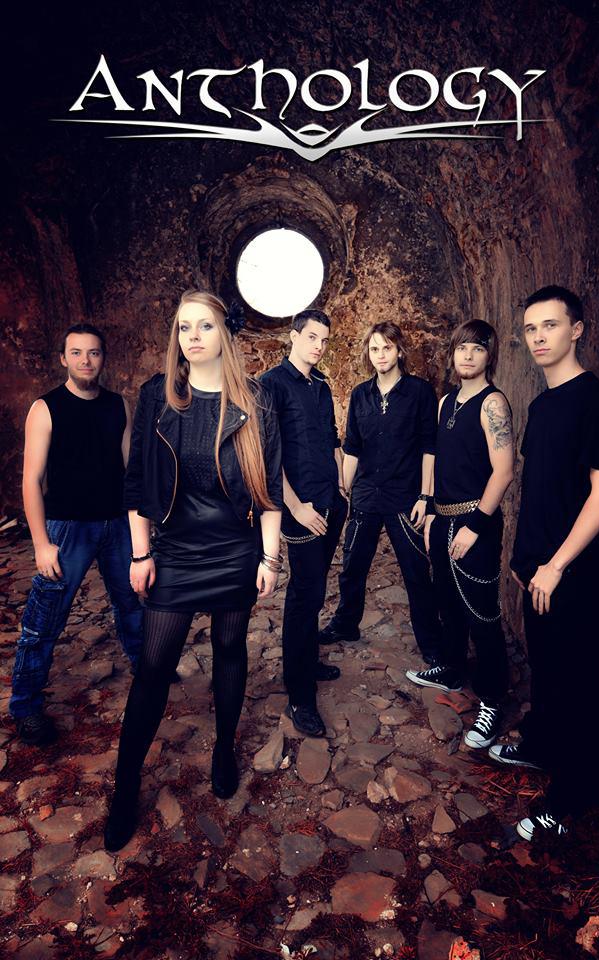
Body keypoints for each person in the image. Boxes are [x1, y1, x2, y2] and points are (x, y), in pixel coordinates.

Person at [104, 290, 282, 852]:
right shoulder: (157, 396)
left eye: (204, 326)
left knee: (230, 648)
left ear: (224, 333)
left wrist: (269, 558)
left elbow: (269, 489)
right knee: (153, 667)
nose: (193, 337)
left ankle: (224, 749)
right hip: (177, 551)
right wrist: (140, 554)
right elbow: (137, 483)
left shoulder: (255, 401)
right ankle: (125, 787)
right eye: (184, 328)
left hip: (234, 551)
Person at [489, 285, 599, 842]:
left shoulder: (595, 401)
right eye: (531, 329)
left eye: (550, 325)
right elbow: (541, 490)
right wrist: (525, 559)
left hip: (573, 572)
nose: (539, 337)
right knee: (546, 669)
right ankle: (542, 746)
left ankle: (574, 796)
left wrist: (557, 565)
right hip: (538, 569)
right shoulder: (542, 405)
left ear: (577, 330)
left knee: (577, 683)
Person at [10, 324, 143, 745]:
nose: (86, 360)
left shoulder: (119, 405)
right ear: (63, 359)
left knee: (132, 603)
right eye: (77, 353)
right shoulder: (45, 408)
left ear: (103, 358)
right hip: (67, 528)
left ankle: (147, 669)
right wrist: (40, 543)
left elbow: (131, 471)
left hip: (117, 523)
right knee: (43, 621)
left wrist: (141, 528)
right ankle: (25, 706)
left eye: (94, 353)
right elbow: (32, 480)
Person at [405, 320, 514, 751]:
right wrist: (431, 509)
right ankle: (451, 669)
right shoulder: (446, 401)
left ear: (489, 356)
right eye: (461, 348)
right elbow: (439, 458)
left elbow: (503, 472)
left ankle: (492, 700)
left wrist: (475, 526)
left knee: (482, 615)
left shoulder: (493, 403)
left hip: (475, 523)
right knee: (447, 603)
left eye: (477, 348)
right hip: (444, 518)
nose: (467, 356)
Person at [319, 321, 441, 661]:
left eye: (387, 348)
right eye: (374, 349)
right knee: (352, 568)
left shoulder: (419, 392)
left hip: (405, 498)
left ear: (399, 351)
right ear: (368, 354)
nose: (381, 355)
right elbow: (353, 448)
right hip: (366, 496)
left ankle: (432, 645)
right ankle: (346, 624)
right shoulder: (361, 394)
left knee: (416, 573)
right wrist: (343, 490)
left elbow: (430, 448)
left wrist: (425, 497)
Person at [261, 309, 348, 738]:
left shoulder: (322, 386)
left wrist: (342, 487)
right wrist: (294, 507)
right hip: (302, 510)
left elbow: (331, 439)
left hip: (331, 502)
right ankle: (299, 696)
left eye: (324, 340)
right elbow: (268, 455)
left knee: (315, 590)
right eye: (312, 337)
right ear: (293, 337)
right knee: (302, 597)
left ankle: (308, 659)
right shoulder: (271, 384)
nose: (319, 346)